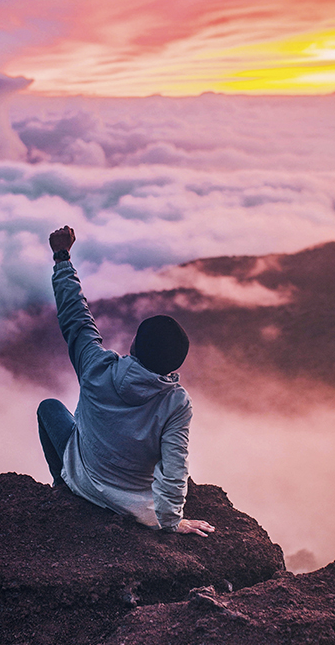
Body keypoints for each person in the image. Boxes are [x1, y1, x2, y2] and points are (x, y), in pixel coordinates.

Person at [37, 225, 215, 537]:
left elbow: (76, 318)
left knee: (49, 408)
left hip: (83, 481)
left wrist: (62, 258)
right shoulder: (176, 403)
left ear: (134, 346)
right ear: (175, 364)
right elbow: (175, 469)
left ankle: (61, 483)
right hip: (133, 505)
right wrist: (172, 522)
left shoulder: (96, 366)